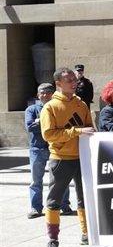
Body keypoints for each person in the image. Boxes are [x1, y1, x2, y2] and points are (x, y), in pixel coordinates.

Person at [41, 67, 95, 247]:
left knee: (85, 198)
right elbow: (49, 135)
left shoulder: (81, 104)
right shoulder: (50, 107)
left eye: (74, 79)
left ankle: (87, 233)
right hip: (61, 159)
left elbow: (90, 128)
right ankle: (52, 240)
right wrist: (76, 131)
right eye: (69, 80)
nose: (74, 82)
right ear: (58, 84)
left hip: (83, 158)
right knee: (54, 200)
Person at [26, 83, 71, 218]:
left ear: (53, 94)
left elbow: (62, 126)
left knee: (61, 179)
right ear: (38, 95)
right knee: (36, 180)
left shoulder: (57, 108)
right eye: (42, 92)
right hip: (37, 149)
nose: (45, 95)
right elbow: (29, 127)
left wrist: (40, 122)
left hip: (56, 148)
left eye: (48, 92)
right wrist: (44, 121)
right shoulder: (31, 109)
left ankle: (64, 205)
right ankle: (36, 208)